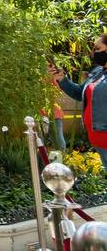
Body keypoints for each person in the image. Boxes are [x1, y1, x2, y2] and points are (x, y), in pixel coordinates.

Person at [51, 33, 107, 166]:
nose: (93, 53)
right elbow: (79, 93)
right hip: (96, 136)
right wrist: (62, 79)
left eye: (98, 48)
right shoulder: (98, 73)